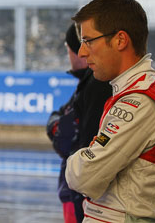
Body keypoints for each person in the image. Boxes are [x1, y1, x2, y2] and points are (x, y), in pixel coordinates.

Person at [65, 0, 155, 222]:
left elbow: (84, 177)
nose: (81, 52)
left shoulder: (140, 101)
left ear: (120, 40)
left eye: (88, 41)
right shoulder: (135, 91)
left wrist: (74, 160)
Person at [46, 24, 112, 223]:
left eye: (69, 49)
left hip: (82, 193)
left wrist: (56, 126)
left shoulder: (96, 84)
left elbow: (64, 138)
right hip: (83, 191)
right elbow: (59, 119)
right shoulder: (89, 84)